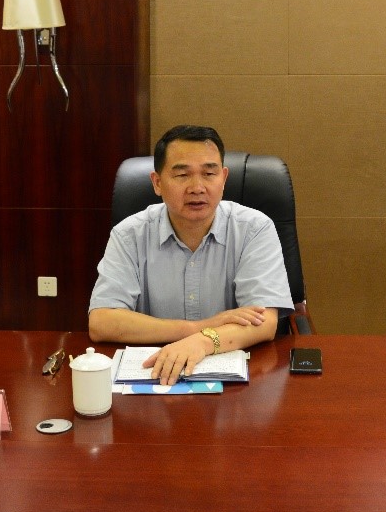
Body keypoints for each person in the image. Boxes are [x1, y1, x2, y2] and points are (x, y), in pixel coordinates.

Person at [89, 125, 293, 384]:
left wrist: (202, 342)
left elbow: (264, 322)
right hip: (153, 378)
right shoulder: (129, 234)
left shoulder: (254, 229)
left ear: (224, 179)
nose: (197, 187)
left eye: (209, 173)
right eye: (182, 175)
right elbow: (102, 322)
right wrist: (196, 328)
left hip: (234, 387)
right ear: (157, 183)